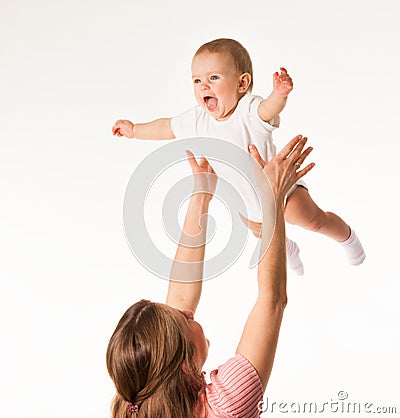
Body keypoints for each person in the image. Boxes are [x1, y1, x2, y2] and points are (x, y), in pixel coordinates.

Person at [111, 38, 365, 273]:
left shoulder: (248, 111)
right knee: (261, 232)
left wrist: (279, 94)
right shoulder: (198, 119)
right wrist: (135, 130)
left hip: (282, 192)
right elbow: (166, 127)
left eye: (213, 77)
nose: (204, 86)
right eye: (197, 81)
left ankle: (346, 236)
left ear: (242, 83)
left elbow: (268, 109)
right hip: (247, 201)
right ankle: (288, 248)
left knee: (311, 220)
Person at [106, 135, 315, 417]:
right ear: (185, 364)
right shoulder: (225, 406)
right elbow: (272, 301)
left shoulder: (140, 401)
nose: (188, 312)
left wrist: (202, 195)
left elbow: (181, 296)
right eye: (184, 319)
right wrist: (271, 196)